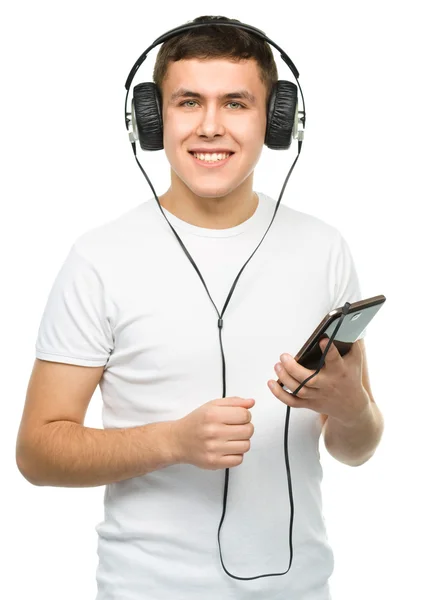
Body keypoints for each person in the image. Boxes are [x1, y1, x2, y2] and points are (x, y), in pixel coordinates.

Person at [16, 14, 384, 600]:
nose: (210, 126)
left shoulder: (325, 249)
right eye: (188, 102)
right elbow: (38, 452)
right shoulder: (98, 259)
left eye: (236, 103)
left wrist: (351, 407)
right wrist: (173, 443)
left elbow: (357, 449)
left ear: (276, 121)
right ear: (154, 120)